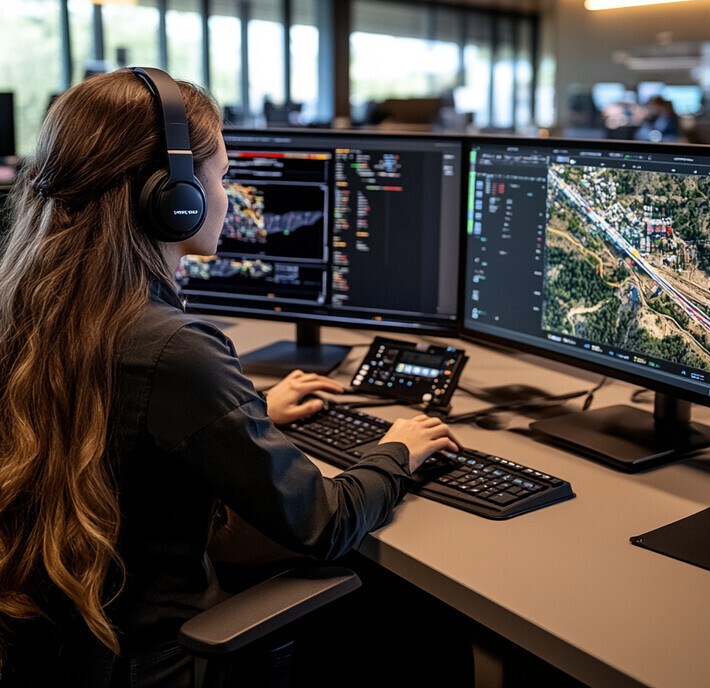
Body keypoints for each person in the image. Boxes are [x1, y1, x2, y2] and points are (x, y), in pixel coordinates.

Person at [0, 68, 459, 687]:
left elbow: (113, 429)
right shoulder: (174, 349)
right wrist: (395, 450)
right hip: (157, 659)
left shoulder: (29, 307)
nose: (228, 193)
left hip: (64, 648)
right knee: (418, 625)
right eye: (221, 175)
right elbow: (320, 522)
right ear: (172, 196)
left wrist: (251, 412)